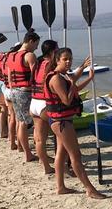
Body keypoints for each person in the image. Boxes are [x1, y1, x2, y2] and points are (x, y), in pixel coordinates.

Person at [45, 48, 106, 199]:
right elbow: (66, 100)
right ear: (57, 60)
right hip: (62, 122)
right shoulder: (56, 78)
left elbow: (75, 89)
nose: (68, 62)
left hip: (59, 121)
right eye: (65, 59)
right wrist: (72, 83)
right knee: (76, 156)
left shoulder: (62, 75)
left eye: (70, 59)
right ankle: (89, 189)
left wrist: (88, 77)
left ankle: (60, 187)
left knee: (61, 153)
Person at [7, 30, 40, 161]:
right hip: (25, 92)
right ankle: (28, 153)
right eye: (36, 44)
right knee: (27, 123)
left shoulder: (11, 55)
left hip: (13, 91)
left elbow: (9, 76)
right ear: (30, 41)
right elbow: (36, 76)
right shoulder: (30, 56)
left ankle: (25, 151)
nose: (37, 47)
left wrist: (12, 89)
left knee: (21, 122)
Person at [30, 39, 59, 174]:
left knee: (39, 139)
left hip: (34, 103)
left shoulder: (38, 63)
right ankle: (63, 165)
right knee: (60, 136)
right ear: (53, 51)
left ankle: (46, 167)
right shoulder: (51, 65)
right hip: (44, 104)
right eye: (57, 50)